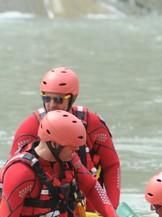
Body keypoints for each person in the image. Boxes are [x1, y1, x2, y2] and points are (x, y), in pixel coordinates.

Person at [0, 110, 125, 217]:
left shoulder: (70, 160)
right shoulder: (20, 172)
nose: (75, 152)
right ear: (55, 144)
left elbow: (91, 187)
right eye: (72, 148)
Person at [10, 66, 121, 209]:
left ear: (72, 99)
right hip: (45, 207)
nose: (51, 105)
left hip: (88, 206)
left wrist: (112, 209)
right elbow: (13, 169)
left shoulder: (92, 124)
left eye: (58, 100)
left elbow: (111, 165)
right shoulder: (30, 126)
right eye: (46, 98)